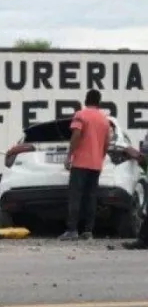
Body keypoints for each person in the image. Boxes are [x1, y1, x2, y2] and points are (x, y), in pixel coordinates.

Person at [59, 89, 111, 241]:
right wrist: (100, 157)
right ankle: (88, 231)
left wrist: (69, 155)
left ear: (86, 100)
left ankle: (72, 230)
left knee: (75, 196)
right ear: (99, 102)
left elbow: (76, 135)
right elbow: (107, 142)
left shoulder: (80, 115)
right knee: (91, 197)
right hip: (96, 164)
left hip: (81, 162)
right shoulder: (104, 120)